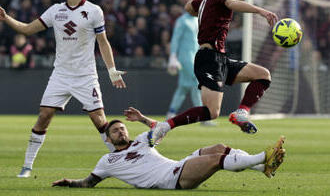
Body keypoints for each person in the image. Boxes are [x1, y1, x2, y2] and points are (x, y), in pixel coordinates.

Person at [0, 0, 126, 178]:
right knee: (44, 116)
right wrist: (6, 19)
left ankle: (123, 162)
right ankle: (27, 166)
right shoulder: (55, 11)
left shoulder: (94, 11)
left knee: (100, 121)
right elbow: (27, 30)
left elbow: (103, 42)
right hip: (60, 75)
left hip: (86, 76)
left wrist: (112, 70)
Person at [148, 0, 278, 147]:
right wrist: (260, 11)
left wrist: (206, 10)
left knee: (263, 75)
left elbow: (189, 6)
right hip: (208, 59)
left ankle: (241, 112)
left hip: (220, 58)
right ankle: (165, 126)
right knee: (211, 112)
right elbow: (231, 3)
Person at [52, 107, 286, 190]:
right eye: (115, 131)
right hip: (170, 180)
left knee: (220, 147)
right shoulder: (107, 162)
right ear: (108, 140)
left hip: (177, 167)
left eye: (122, 128)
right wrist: (70, 183)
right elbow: (89, 183)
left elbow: (161, 129)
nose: (121, 131)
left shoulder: (142, 140)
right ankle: (264, 156)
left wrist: (142, 118)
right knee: (216, 158)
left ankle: (262, 167)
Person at [166, 11, 215, 126]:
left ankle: (171, 113)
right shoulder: (182, 21)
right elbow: (175, 39)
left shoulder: (197, 21)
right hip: (185, 58)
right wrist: (173, 56)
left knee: (183, 87)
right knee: (197, 83)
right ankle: (202, 117)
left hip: (194, 57)